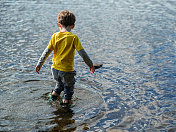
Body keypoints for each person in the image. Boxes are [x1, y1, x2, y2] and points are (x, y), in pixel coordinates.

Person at [35, 10, 95, 105]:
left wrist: (39, 64)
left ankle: (52, 98)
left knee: (59, 85)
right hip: (67, 71)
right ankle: (65, 108)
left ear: (59, 24)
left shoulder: (54, 36)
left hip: (55, 69)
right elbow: (82, 54)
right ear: (73, 26)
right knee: (68, 90)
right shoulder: (74, 38)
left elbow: (46, 52)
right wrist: (90, 64)